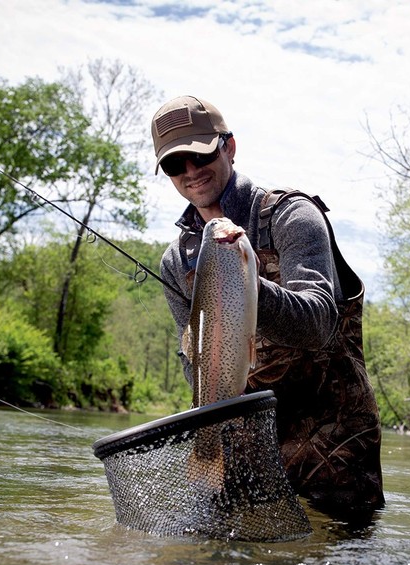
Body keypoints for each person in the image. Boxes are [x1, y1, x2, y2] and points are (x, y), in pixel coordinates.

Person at [151, 95, 384, 520]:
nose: (190, 172)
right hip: (243, 458)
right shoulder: (175, 261)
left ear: (230, 147)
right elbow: (195, 367)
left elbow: (318, 323)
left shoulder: (293, 215)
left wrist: (237, 280)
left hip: (331, 455)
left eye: (199, 155)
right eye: (174, 165)